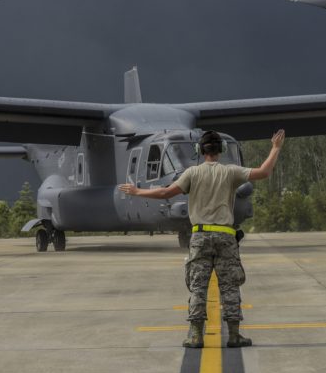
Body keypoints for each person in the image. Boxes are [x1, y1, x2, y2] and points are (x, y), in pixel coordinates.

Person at [119, 129, 285, 348]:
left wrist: (137, 191)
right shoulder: (230, 172)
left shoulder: (192, 173)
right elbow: (264, 172)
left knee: (198, 287)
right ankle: (234, 335)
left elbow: (165, 193)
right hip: (226, 237)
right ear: (221, 150)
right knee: (230, 287)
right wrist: (275, 148)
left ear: (200, 150)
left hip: (199, 236)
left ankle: (196, 335)